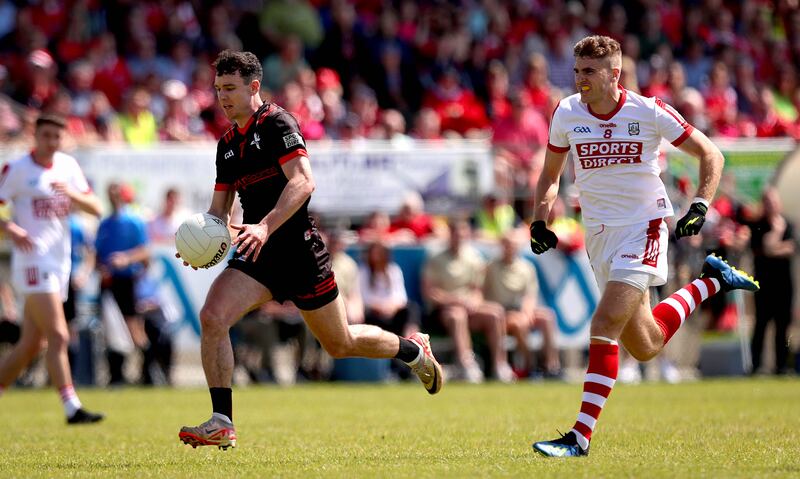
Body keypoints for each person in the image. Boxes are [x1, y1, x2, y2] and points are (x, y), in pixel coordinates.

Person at [177, 50, 443, 450]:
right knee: (213, 316)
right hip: (258, 254)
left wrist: (266, 225)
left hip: (300, 252)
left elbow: (303, 182)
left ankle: (412, 350)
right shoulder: (227, 145)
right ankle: (222, 421)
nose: (223, 97)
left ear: (253, 87)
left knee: (340, 344)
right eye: (218, 89)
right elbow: (219, 213)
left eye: (230, 88)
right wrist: (203, 246)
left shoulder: (278, 123)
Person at [528, 35, 760, 457]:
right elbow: (550, 175)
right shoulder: (566, 112)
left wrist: (700, 205)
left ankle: (579, 438)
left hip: (645, 227)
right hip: (599, 234)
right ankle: (712, 282)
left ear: (614, 73)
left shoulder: (648, 111)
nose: (580, 79)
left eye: (589, 72)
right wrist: (539, 220)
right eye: (577, 71)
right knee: (647, 344)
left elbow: (711, 154)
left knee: (603, 326)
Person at [0, 114, 104, 424]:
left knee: (32, 344)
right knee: (59, 334)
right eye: (46, 136)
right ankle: (72, 407)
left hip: (60, 263)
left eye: (57, 137)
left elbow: (96, 208)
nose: (51, 143)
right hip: (33, 261)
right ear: (35, 135)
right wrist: (10, 228)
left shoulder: (68, 167)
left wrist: (70, 193)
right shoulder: (17, 169)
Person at [422, 218, 514, 383]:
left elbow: (477, 290)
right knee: (457, 315)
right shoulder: (435, 259)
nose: (460, 237)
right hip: (444, 311)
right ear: (450, 235)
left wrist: (473, 302)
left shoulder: (474, 258)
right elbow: (430, 292)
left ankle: (500, 365)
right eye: (456, 233)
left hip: (469, 309)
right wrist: (455, 300)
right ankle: (467, 364)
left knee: (495, 313)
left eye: (463, 233)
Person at [95, 182, 150, 385]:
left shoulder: (134, 221)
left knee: (134, 327)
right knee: (111, 330)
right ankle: (116, 376)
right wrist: (100, 267)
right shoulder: (105, 224)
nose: (113, 197)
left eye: (117, 193)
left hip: (127, 281)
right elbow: (97, 252)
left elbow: (145, 251)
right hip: (109, 282)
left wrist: (126, 259)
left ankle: (148, 374)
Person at [484, 233, 560, 377]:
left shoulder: (526, 267)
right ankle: (531, 366)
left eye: (513, 245)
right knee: (519, 324)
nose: (510, 248)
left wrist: (526, 312)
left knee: (547, 317)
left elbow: (530, 295)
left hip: (520, 310)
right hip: (501, 312)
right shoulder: (491, 267)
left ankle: (552, 366)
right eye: (506, 245)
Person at [744, 187, 795, 375]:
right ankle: (756, 366)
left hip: (784, 284)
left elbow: (792, 247)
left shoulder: (788, 224)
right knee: (761, 325)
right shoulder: (758, 225)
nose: (771, 205)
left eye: (773, 201)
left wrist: (775, 247)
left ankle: (781, 366)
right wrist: (776, 233)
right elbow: (765, 248)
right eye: (767, 202)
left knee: (782, 325)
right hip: (763, 285)